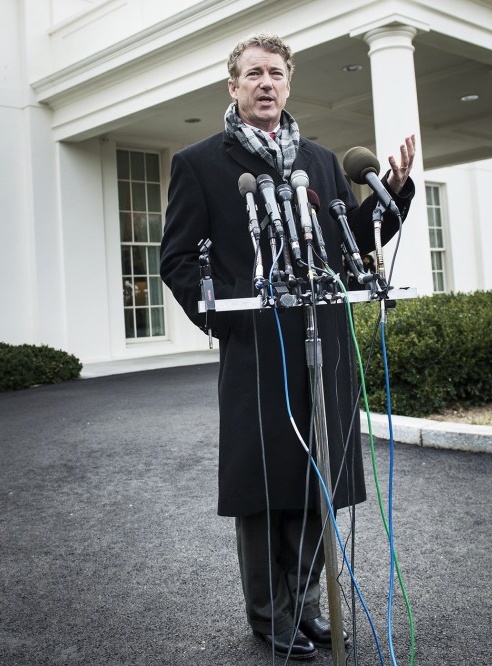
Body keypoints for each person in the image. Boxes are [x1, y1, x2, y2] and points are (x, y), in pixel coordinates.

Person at [160, 33, 416, 660]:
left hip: (321, 340)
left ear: (290, 83)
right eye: (253, 74)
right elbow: (176, 260)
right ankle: (268, 613)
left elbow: (351, 244)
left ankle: (306, 603)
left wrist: (393, 191)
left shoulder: (324, 163)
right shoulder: (200, 163)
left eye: (276, 73)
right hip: (255, 345)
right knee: (263, 482)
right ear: (234, 86)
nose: (266, 83)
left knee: (316, 475)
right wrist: (226, 320)